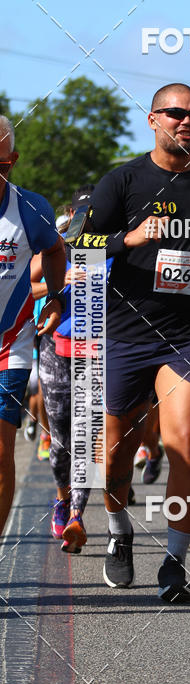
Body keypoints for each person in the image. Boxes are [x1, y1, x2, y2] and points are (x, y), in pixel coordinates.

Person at [85, 83, 190, 602]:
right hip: (128, 332)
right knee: (114, 459)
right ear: (153, 118)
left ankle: (174, 563)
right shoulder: (124, 180)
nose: (187, 122)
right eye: (176, 114)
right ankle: (118, 532)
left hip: (189, 333)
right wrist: (127, 238)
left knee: (184, 447)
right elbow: (77, 243)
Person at [0, 115, 65, 536]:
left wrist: (56, 296)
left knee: (1, 452)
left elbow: (56, 252)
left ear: (12, 160)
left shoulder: (30, 208)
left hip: (8, 347)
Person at [31, 186, 96, 553]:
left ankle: (77, 515)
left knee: (86, 441)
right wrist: (59, 284)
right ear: (72, 214)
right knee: (61, 445)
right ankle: (61, 497)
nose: (87, 221)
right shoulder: (57, 246)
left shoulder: (112, 252)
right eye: (82, 214)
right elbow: (25, 284)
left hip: (96, 354)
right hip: (56, 350)